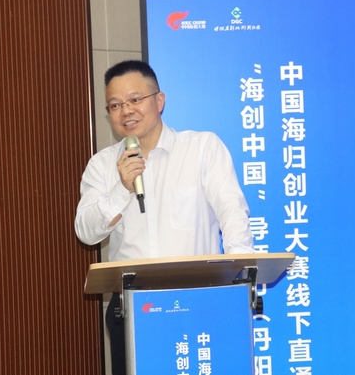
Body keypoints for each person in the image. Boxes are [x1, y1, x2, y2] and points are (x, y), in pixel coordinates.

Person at [74, 60, 254, 375]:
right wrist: (121, 189)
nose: (125, 111)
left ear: (159, 101)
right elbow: (86, 232)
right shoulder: (101, 166)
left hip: (201, 301)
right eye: (115, 105)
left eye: (134, 99)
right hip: (132, 307)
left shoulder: (201, 148)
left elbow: (232, 212)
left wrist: (240, 279)